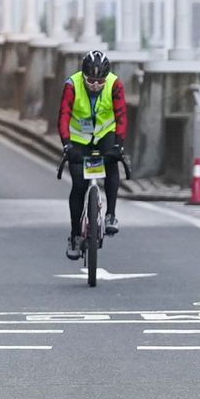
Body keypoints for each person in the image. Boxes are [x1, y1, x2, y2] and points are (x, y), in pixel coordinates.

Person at [57, 49, 127, 259]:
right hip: (79, 139)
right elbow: (63, 115)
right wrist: (67, 145)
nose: (95, 85)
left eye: (100, 81)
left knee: (112, 164)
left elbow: (121, 115)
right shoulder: (72, 85)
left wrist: (119, 145)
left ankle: (111, 215)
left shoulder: (115, 85)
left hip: (105, 134)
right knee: (78, 184)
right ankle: (75, 235)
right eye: (90, 80)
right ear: (83, 75)